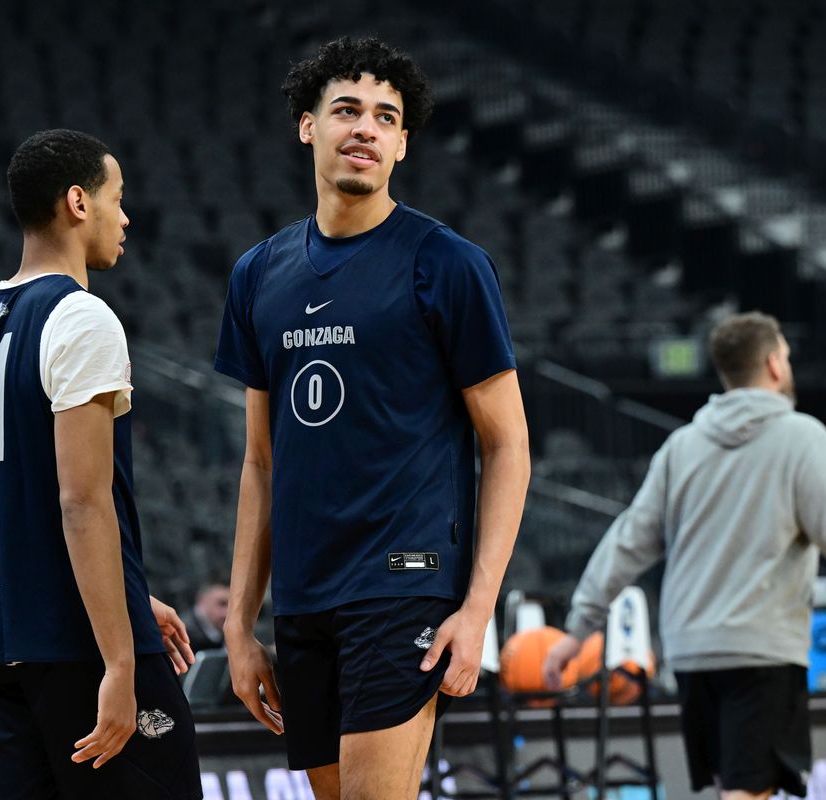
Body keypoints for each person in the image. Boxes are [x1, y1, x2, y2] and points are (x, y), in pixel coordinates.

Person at [213, 36, 531, 800]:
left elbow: (510, 444)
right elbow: (261, 462)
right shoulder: (258, 273)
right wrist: (239, 624)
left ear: (402, 145)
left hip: (405, 583)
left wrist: (478, 607)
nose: (365, 128)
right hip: (305, 593)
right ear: (307, 126)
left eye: (385, 118)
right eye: (346, 110)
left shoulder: (447, 263)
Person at [543, 311, 826, 800]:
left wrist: (578, 628)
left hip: (692, 652)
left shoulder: (682, 447)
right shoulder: (802, 438)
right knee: (747, 792)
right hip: (759, 649)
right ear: (775, 364)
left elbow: (627, 541)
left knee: (735, 787)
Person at [0, 129, 202, 800]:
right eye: (118, 198)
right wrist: (120, 659)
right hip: (79, 651)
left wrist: (131, 595)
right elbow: (80, 502)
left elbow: (8, 501)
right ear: (78, 202)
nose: (126, 217)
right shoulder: (82, 318)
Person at [183, 581, 229, 654]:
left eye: (232, 605)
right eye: (222, 604)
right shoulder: (182, 634)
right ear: (202, 601)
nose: (227, 612)